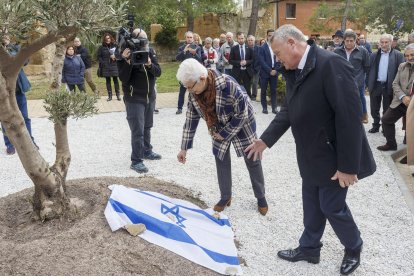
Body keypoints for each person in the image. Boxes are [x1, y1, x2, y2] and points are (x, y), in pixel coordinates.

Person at [245, 24, 376, 275]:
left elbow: (350, 117)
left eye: (279, 53)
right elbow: (289, 109)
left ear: (292, 43)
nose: (278, 59)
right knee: (312, 203)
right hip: (310, 153)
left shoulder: (331, 64)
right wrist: (266, 140)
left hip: (334, 155)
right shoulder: (295, 68)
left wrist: (348, 167)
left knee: (331, 206)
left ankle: (354, 246)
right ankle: (309, 248)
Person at [176, 58, 268, 216]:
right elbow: (190, 120)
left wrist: (225, 133)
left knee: (252, 158)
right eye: (186, 87)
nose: (189, 91)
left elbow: (242, 113)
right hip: (217, 125)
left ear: (202, 79)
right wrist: (183, 148)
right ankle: (225, 196)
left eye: (190, 87)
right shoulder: (194, 93)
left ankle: (261, 196)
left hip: (242, 123)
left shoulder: (228, 84)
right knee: (221, 159)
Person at [117, 28, 162, 173]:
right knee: (138, 131)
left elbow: (158, 72)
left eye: (146, 39)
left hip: (150, 97)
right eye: (142, 39)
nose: (145, 42)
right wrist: (126, 61)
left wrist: (149, 64)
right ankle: (136, 160)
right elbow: (123, 78)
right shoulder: (124, 54)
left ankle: (146, 151)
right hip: (134, 98)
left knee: (147, 126)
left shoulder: (150, 52)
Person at [1, 35, 38, 155]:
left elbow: (25, 61)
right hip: (3, 93)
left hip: (18, 89)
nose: (5, 37)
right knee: (5, 120)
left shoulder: (16, 48)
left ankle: (30, 141)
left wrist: (10, 49)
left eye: (6, 35)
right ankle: (10, 144)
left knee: (25, 117)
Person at [377, 44, 414, 151]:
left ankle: (409, 148)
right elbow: (395, 83)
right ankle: (391, 144)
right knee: (386, 120)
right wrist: (403, 97)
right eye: (407, 56)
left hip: (413, 103)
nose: (410, 58)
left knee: (411, 128)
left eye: (412, 55)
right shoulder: (402, 66)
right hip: (400, 101)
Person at [366, 34, 404, 133]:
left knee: (387, 108)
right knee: (374, 107)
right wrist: (368, 83)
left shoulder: (398, 55)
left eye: (386, 42)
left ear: (391, 43)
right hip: (376, 84)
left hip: (389, 85)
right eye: (382, 42)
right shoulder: (374, 55)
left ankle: (385, 126)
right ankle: (375, 125)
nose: (384, 44)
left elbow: (401, 72)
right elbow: (369, 70)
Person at [334, 30, 370, 123]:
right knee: (342, 99)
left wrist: (364, 81)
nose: (349, 43)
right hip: (342, 81)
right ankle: (344, 116)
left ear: (355, 40)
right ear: (344, 41)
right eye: (347, 41)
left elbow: (366, 67)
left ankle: (364, 115)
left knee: (360, 98)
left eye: (351, 41)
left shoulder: (363, 51)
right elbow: (334, 66)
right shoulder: (337, 51)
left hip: (357, 81)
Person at [175, 31, 202, 115]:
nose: (189, 39)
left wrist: (194, 54)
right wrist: (184, 51)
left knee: (195, 91)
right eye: (188, 37)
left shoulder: (197, 47)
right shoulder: (181, 47)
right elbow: (177, 58)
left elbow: (200, 60)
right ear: (185, 38)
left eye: (191, 37)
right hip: (185, 72)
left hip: (194, 72)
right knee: (182, 91)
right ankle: (179, 108)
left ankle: (197, 108)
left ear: (193, 38)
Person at [259, 29, 279, 114]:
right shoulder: (262, 47)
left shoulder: (277, 47)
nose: (271, 37)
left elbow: (280, 59)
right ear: (267, 36)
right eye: (270, 35)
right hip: (265, 73)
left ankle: (274, 108)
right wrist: (270, 70)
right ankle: (264, 108)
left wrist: (276, 70)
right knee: (263, 91)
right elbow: (261, 61)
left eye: (273, 35)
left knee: (273, 91)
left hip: (275, 73)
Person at [229, 32, 254, 98]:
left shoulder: (249, 47)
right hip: (237, 71)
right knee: (236, 88)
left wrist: (246, 62)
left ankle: (248, 102)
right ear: (237, 39)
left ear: (245, 38)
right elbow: (230, 61)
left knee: (247, 89)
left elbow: (253, 59)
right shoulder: (234, 48)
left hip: (247, 71)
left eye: (242, 38)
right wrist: (239, 62)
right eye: (239, 38)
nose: (241, 40)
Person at [97, 33, 120, 101]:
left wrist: (115, 56)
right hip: (106, 66)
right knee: (108, 81)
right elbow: (99, 57)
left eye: (109, 38)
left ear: (111, 38)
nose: (108, 40)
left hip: (114, 65)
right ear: (104, 39)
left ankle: (118, 95)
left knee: (115, 80)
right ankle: (110, 96)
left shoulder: (115, 46)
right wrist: (103, 63)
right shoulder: (101, 47)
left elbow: (119, 54)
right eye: (106, 38)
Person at [247, 34, 260, 100]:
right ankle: (248, 94)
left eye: (251, 40)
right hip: (248, 68)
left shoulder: (258, 48)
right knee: (248, 82)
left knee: (255, 82)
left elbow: (259, 59)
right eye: (249, 40)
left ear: (254, 41)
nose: (250, 41)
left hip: (257, 68)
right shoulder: (246, 48)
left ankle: (254, 95)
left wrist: (256, 68)